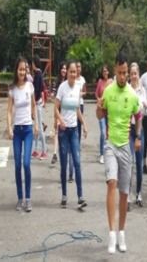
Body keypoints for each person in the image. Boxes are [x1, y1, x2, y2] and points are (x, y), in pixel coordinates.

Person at [101, 53, 141, 254]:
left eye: (126, 73)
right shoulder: (108, 91)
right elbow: (100, 113)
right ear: (115, 71)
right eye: (121, 72)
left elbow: (138, 114)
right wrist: (100, 107)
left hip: (126, 145)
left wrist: (138, 136)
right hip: (110, 144)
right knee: (112, 183)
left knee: (124, 193)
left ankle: (122, 232)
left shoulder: (133, 95)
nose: (124, 76)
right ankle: (111, 233)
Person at [55, 60, 88, 210]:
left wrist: (85, 125)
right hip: (63, 131)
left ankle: (80, 196)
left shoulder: (78, 87)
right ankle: (64, 195)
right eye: (71, 72)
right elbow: (56, 108)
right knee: (63, 165)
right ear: (67, 72)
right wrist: (60, 120)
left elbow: (77, 109)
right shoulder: (62, 87)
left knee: (77, 162)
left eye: (75, 72)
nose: (73, 74)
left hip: (74, 130)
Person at [7, 57, 38, 212]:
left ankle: (28, 198)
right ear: (16, 70)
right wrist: (9, 128)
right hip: (17, 131)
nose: (22, 72)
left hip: (27, 129)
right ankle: (20, 198)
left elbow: (33, 105)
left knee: (26, 163)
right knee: (18, 164)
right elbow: (9, 110)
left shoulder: (30, 86)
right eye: (20, 69)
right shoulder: (12, 89)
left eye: (24, 69)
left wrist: (36, 124)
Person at [128, 63, 146, 207]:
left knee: (139, 163)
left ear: (138, 74)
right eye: (132, 73)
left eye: (136, 73)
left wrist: (144, 107)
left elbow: (144, 110)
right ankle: (127, 195)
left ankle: (139, 193)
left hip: (140, 129)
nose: (134, 76)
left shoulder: (142, 90)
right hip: (129, 129)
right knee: (129, 162)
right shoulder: (127, 90)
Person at [31, 58, 48, 160]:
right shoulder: (39, 74)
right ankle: (36, 149)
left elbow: (37, 91)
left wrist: (34, 103)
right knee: (37, 127)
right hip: (39, 103)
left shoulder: (37, 75)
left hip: (37, 103)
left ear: (34, 64)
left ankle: (44, 151)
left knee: (40, 128)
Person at [51, 62, 67, 165]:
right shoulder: (57, 83)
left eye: (65, 69)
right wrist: (55, 118)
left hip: (67, 111)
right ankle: (55, 153)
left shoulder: (69, 82)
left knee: (64, 133)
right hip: (58, 110)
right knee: (56, 131)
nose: (64, 70)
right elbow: (55, 102)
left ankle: (63, 152)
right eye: (62, 68)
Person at [95, 64, 111, 164]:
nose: (105, 73)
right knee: (102, 132)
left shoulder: (111, 82)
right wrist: (98, 99)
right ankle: (101, 153)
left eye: (106, 71)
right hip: (101, 110)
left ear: (108, 72)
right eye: (103, 71)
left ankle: (108, 152)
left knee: (109, 133)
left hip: (109, 111)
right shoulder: (100, 82)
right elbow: (96, 93)